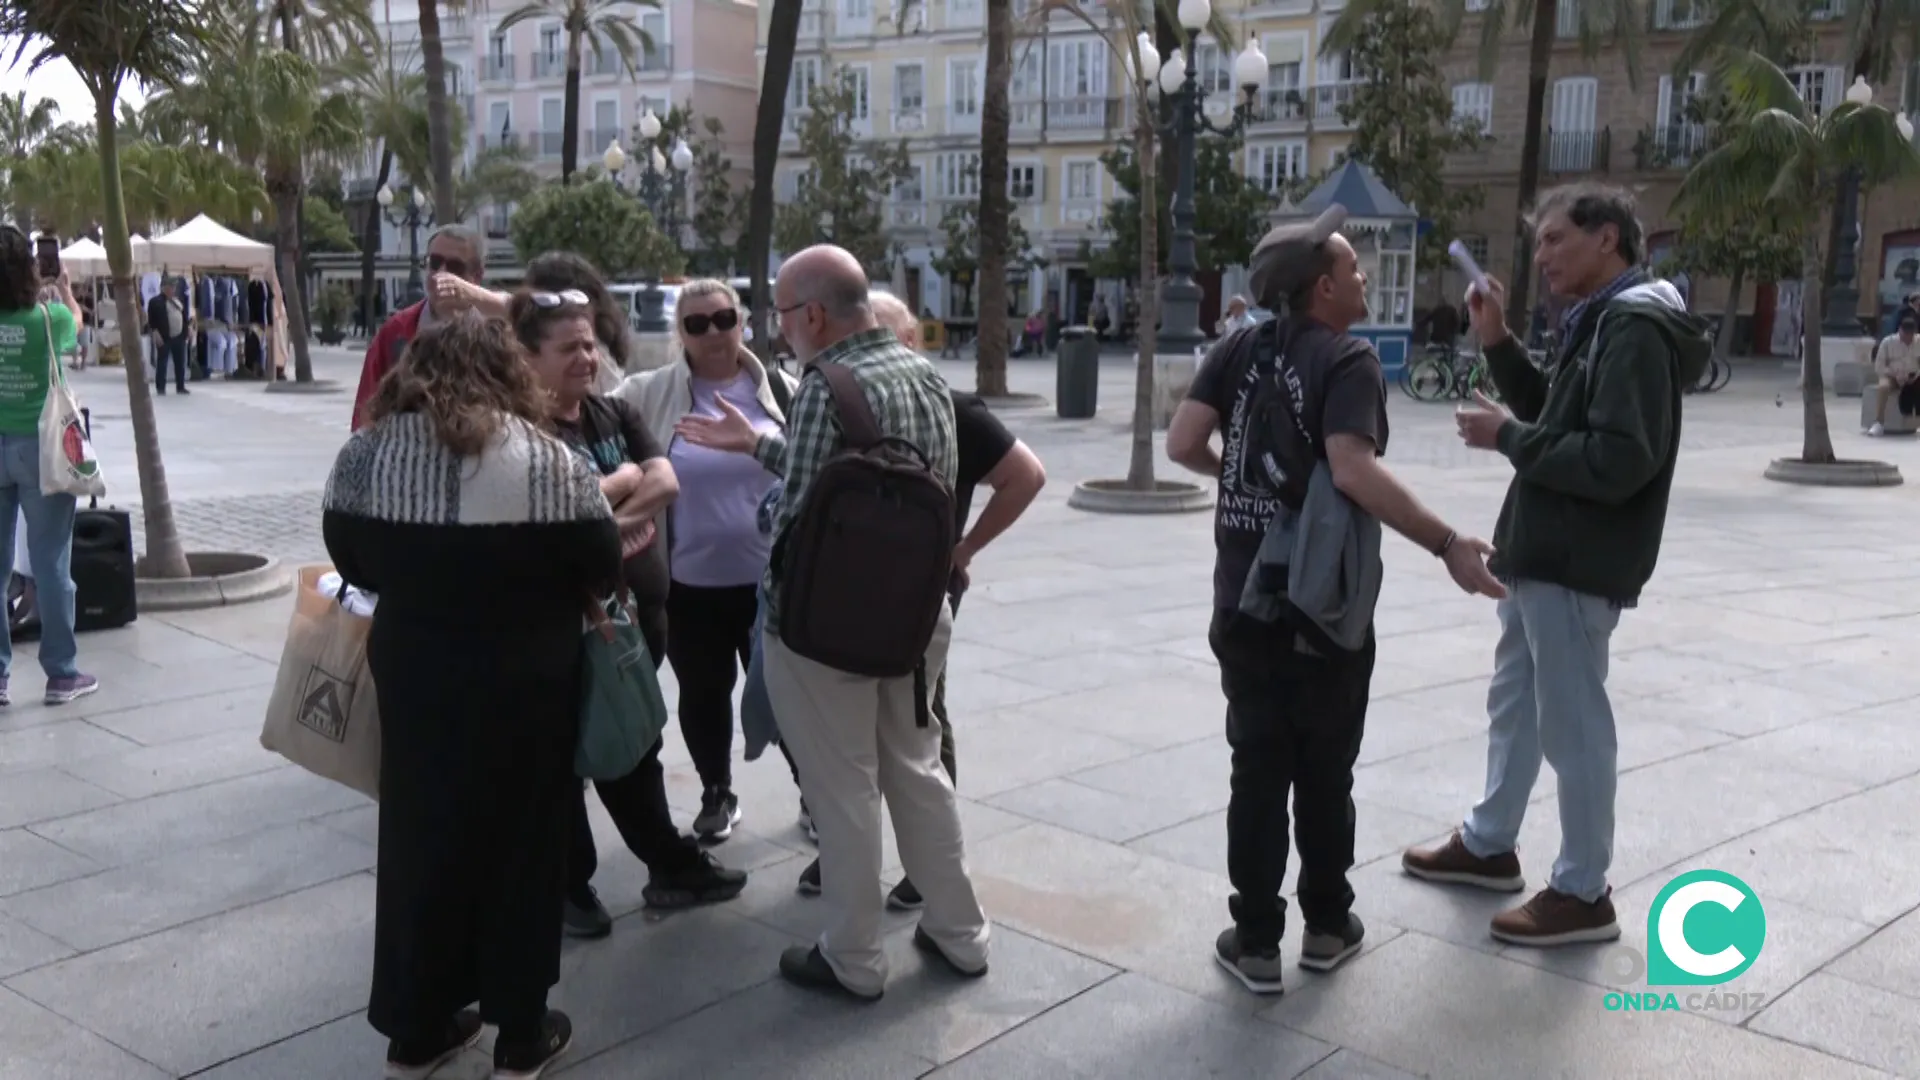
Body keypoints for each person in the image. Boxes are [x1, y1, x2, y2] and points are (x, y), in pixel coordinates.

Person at [1166, 206, 1504, 995]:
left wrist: (1247, 482)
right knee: (1325, 772)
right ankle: (1325, 926)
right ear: (1324, 287)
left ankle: (1253, 942)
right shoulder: (1347, 360)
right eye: (1353, 270)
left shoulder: (1235, 345)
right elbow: (1351, 470)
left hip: (1243, 605)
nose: (1362, 279)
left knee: (1255, 772)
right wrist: (1449, 543)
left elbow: (1182, 443)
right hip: (1323, 609)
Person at [1405, 182, 1709, 947]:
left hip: (1578, 559)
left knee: (1574, 727)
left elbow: (1619, 460)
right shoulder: (1603, 319)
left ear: (1607, 239)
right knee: (1516, 704)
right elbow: (1558, 414)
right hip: (1543, 553)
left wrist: (1507, 438)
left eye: (1553, 241)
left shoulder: (1633, 327)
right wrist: (1499, 341)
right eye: (1538, 243)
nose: (1540, 257)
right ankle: (1488, 843)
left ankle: (1582, 891)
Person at [324, 311, 615, 1080]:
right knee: (524, 840)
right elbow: (603, 563)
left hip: (417, 669)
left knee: (420, 833)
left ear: (411, 371)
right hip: (530, 675)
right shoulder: (551, 462)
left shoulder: (363, 456)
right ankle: (521, 1032)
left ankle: (417, 1029)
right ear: (510, 370)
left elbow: (352, 558)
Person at [735, 290, 1046, 904]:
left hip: (864, 607)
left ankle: (883, 905)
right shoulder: (922, 395)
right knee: (910, 750)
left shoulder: (921, 399)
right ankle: (939, 906)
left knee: (891, 751)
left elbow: (1026, 476)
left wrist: (965, 550)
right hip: (910, 601)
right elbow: (826, 475)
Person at [742, 244, 991, 999]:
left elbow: (797, 518)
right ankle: (960, 933)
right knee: (917, 769)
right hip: (913, 615)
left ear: (812, 314)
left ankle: (852, 957)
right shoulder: (925, 374)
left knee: (842, 785)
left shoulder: (826, 385)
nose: (781, 331)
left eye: (783, 316)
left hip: (827, 628)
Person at [510, 287, 749, 940]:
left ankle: (666, 863)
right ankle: (568, 884)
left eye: (590, 343)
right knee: (564, 758)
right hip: (564, 630)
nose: (586, 357)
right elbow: (560, 515)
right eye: (569, 347)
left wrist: (598, 519)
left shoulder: (612, 413)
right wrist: (613, 499)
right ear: (528, 358)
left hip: (639, 618)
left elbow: (667, 480)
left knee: (635, 740)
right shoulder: (520, 431)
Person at [612, 279, 798, 843]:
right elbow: (587, 404)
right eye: (696, 324)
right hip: (689, 585)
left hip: (773, 582)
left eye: (722, 318)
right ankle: (717, 792)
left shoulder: (788, 391)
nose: (713, 332)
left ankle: (814, 793)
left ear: (742, 321)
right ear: (681, 334)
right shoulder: (648, 393)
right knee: (703, 694)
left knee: (790, 696)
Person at [0, 228, 97, 706]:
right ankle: (61, 674)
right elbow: (76, 323)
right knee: (50, 561)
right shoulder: (47, 317)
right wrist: (65, 290)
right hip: (40, 449)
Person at [350, 225, 492, 430]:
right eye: (434, 263)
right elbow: (365, 412)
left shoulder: (496, 334)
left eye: (454, 267)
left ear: (476, 276)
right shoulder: (395, 331)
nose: (440, 274)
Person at [1866, 311, 1920, 436]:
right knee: (1883, 387)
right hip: (1892, 376)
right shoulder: (1888, 342)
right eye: (1905, 336)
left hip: (1913, 376)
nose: (1907, 340)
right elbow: (1879, 366)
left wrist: (1915, 375)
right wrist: (1895, 374)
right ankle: (1878, 422)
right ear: (1900, 331)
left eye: (1910, 337)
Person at [146, 278, 191, 396]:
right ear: (164, 288)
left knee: (180, 363)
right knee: (162, 362)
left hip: (179, 336)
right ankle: (161, 387)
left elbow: (184, 317)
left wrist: (188, 330)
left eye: (174, 287)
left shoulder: (177, 301)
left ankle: (180, 386)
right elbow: (151, 321)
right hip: (164, 336)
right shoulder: (155, 301)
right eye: (171, 287)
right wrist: (155, 333)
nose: (173, 289)